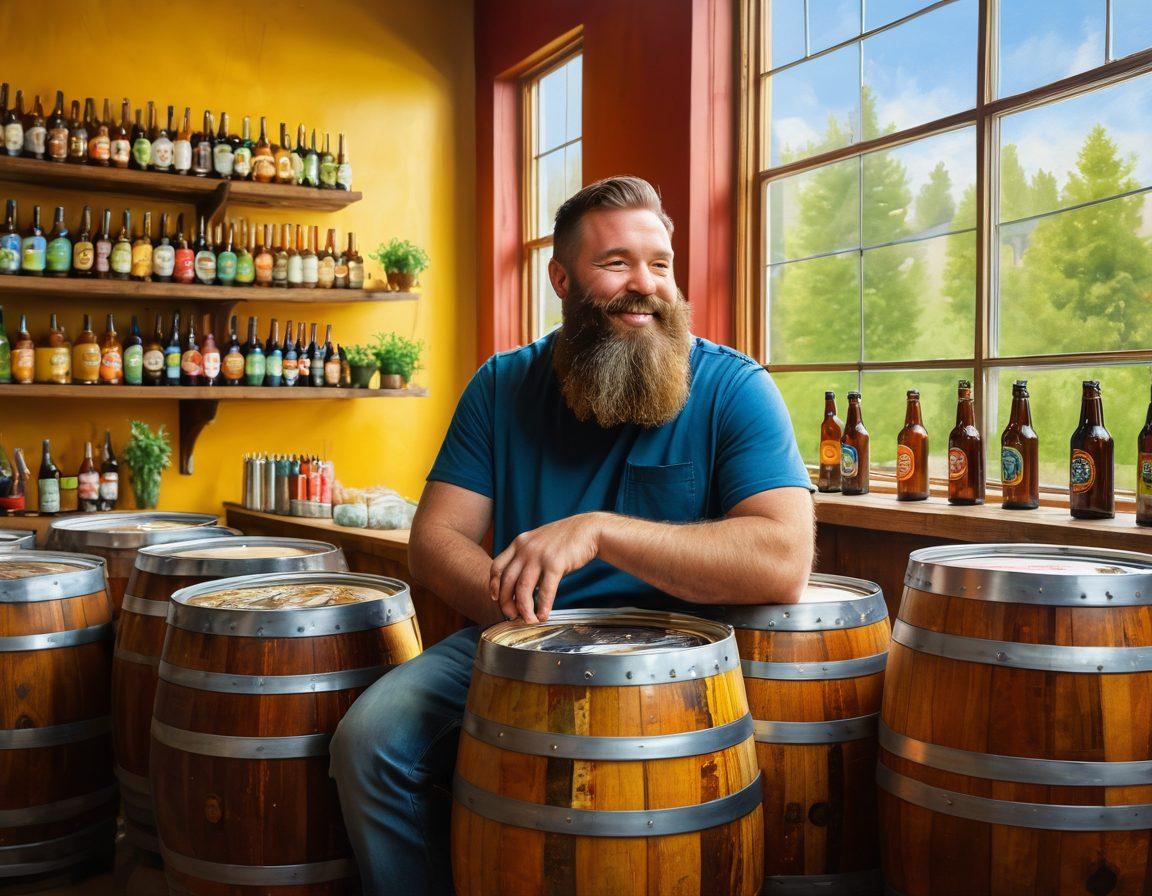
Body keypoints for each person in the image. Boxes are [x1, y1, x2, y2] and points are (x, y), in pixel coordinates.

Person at [329, 175, 814, 895]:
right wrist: (517, 618)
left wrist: (601, 533)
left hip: (683, 668)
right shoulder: (501, 385)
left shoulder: (734, 388)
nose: (644, 285)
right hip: (521, 639)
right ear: (561, 277)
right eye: (615, 263)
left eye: (660, 264)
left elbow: (783, 560)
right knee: (367, 744)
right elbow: (435, 538)